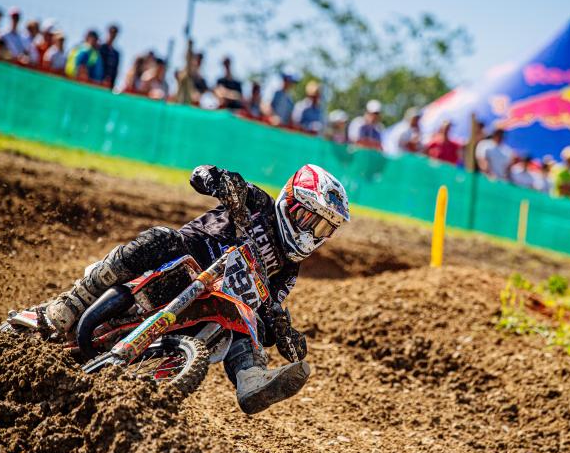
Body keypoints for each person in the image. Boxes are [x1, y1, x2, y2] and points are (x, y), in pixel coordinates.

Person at [21, 164, 350, 414]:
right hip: (184, 264)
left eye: (324, 228)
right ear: (291, 203)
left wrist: (280, 329)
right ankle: (69, 305)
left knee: (250, 320)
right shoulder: (258, 203)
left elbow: (267, 307)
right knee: (160, 238)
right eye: (311, 220)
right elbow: (200, 174)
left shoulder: (288, 269)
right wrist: (222, 182)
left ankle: (252, 379)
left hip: (214, 304)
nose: (313, 234)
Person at [99, 24, 121, 89]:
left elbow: (115, 70)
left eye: (115, 33)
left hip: (109, 85)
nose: (113, 35)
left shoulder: (116, 53)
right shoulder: (100, 48)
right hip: (98, 82)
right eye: (111, 32)